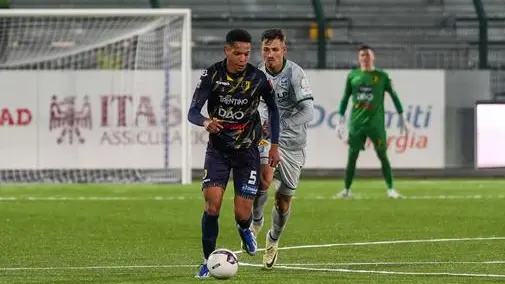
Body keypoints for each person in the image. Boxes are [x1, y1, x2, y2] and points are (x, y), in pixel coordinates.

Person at [187, 28, 281, 279]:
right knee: (212, 206)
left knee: (242, 213)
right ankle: (208, 261)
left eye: (246, 54)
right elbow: (192, 112)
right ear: (227, 51)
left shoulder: (258, 78)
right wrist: (206, 122)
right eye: (238, 53)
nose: (243, 58)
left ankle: (244, 228)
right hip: (218, 151)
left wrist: (275, 144)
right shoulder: (212, 75)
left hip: (247, 152)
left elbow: (274, 110)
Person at [251, 28, 314, 269]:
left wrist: (280, 124)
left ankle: (273, 240)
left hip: (294, 146)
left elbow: (309, 111)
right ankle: (255, 222)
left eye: (275, 50)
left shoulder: (295, 74)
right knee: (263, 179)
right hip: (267, 141)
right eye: (266, 50)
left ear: (283, 50)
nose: (270, 54)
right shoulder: (256, 73)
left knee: (283, 201)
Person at [335, 44, 412, 199]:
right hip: (356, 124)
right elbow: (345, 98)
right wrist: (339, 121)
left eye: (367, 55)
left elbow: (394, 97)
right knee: (352, 156)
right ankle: (346, 190)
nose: (365, 58)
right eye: (362, 55)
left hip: (375, 125)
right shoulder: (352, 76)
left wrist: (403, 119)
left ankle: (391, 189)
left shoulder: (382, 76)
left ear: (373, 57)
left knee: (382, 155)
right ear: (359, 58)